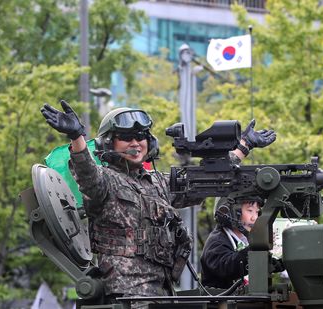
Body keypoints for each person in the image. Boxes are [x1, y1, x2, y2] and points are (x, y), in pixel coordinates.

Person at [40, 100, 276, 304]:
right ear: (109, 144)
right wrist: (77, 138)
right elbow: (87, 174)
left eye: (141, 137)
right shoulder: (106, 181)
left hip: (162, 291)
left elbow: (205, 181)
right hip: (126, 294)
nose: (135, 143)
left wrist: (244, 146)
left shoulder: (156, 182)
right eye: (125, 137)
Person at [200, 196, 285, 289]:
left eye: (257, 212)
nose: (255, 218)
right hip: (222, 302)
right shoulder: (216, 242)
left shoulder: (243, 240)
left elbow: (258, 262)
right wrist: (256, 246)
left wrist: (281, 263)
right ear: (230, 212)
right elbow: (229, 267)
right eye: (250, 211)